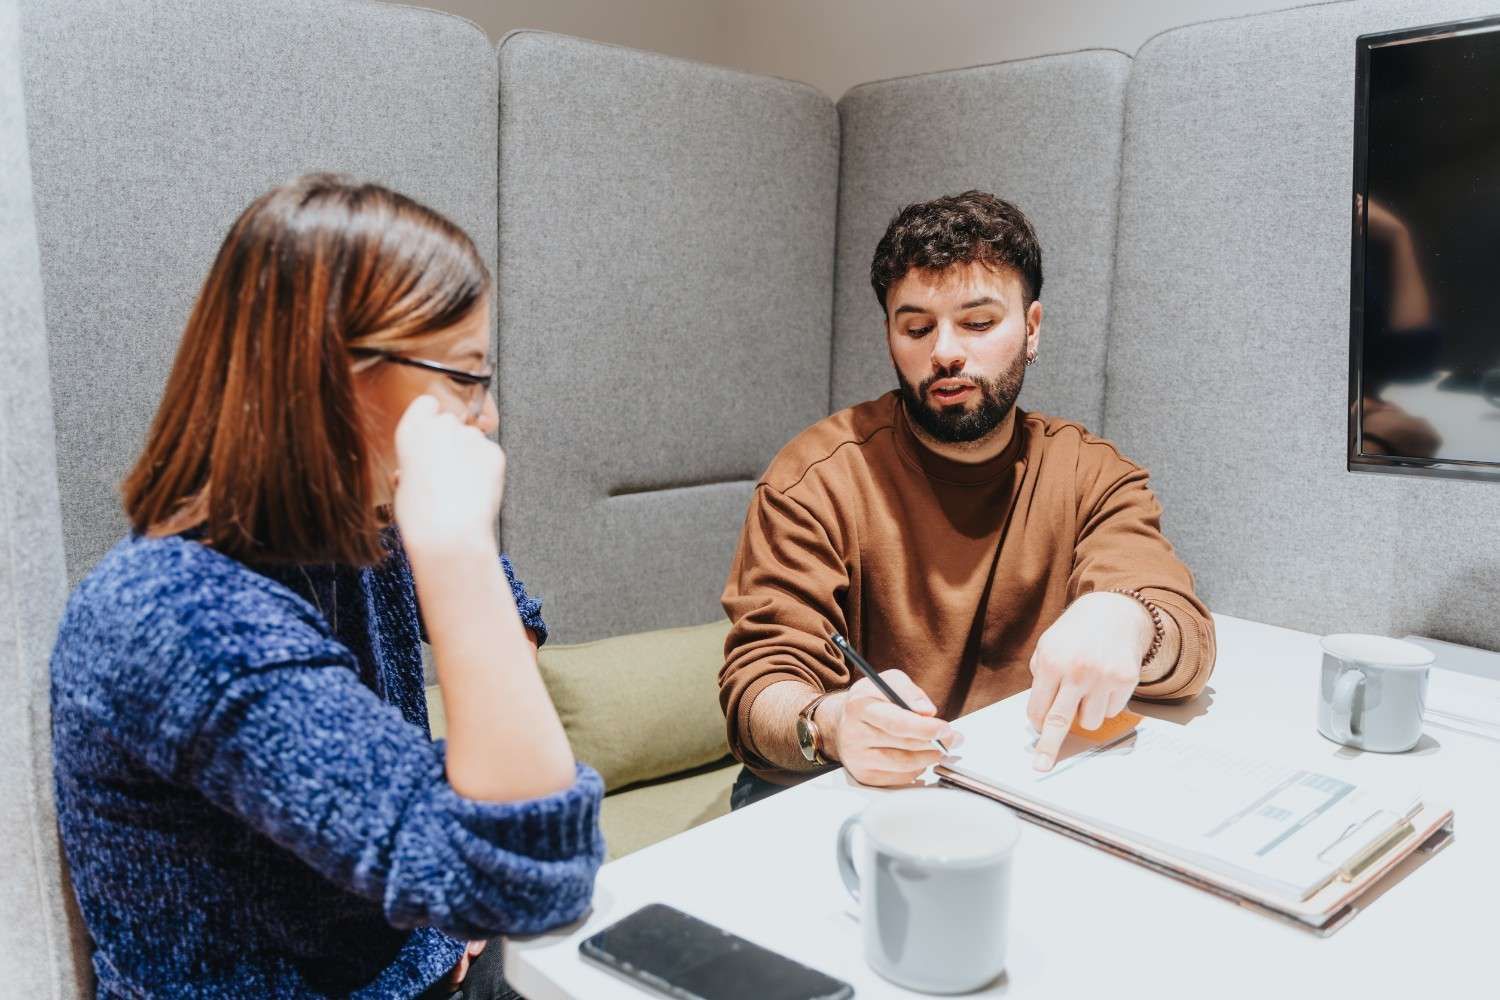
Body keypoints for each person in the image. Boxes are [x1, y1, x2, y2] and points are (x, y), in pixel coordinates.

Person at [49, 175, 603, 998]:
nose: (485, 417)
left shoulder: (365, 522)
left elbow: (511, 635)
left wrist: (449, 852)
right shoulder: (180, 617)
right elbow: (531, 878)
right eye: (465, 377)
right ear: (335, 377)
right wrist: (457, 545)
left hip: (429, 959)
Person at [720, 191, 1216, 806]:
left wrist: (1130, 619)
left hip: (1017, 786)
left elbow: (1187, 641)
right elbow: (758, 689)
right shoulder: (817, 478)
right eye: (917, 327)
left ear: (1031, 328)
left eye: (978, 323)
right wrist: (831, 721)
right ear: (890, 336)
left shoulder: (1089, 473)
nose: (946, 351)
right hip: (841, 795)